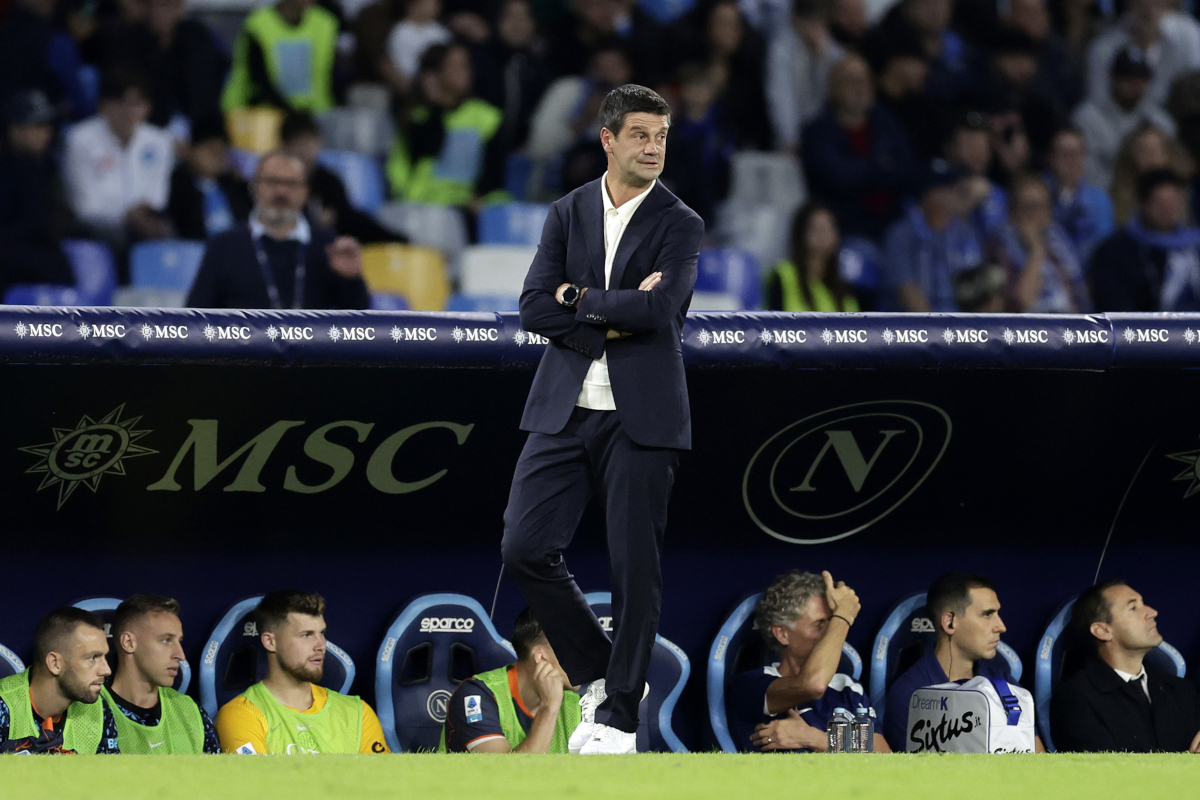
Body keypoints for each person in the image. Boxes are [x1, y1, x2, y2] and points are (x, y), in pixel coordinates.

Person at [502, 84, 702, 755]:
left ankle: (617, 715)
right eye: (641, 135)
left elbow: (661, 312)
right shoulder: (567, 211)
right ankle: (601, 672)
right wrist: (609, 312)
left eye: (662, 136)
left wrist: (578, 301)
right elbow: (533, 307)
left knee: (633, 568)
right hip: (563, 406)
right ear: (608, 139)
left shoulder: (681, 222)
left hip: (642, 417)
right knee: (524, 547)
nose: (654, 148)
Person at [186, 151, 370, 310]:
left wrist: (351, 280)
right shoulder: (224, 246)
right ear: (254, 187)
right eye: (272, 181)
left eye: (291, 184)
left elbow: (358, 325)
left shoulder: (328, 245)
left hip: (309, 349)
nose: (281, 191)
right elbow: (196, 317)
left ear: (306, 192)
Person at [730, 571, 890, 753]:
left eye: (832, 623)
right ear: (782, 634)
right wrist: (843, 616)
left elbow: (884, 756)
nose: (831, 633)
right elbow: (812, 685)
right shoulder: (751, 685)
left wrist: (816, 739)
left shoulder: (848, 688)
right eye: (819, 624)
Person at [883, 572, 1043, 751]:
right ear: (950, 622)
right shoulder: (911, 696)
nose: (1001, 626)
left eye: (998, 613)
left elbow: (1037, 761)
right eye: (987, 615)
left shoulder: (1007, 686)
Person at [215, 590, 389, 754]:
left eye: (321, 633)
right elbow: (260, 784)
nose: (321, 645)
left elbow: (384, 782)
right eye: (306, 635)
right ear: (270, 642)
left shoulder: (357, 712)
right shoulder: (241, 715)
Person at [1050, 580, 1200, 752]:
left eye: (1143, 603)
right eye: (1133, 608)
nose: (1152, 612)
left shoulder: (1182, 690)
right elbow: (1103, 774)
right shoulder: (1076, 698)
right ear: (1103, 631)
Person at [801, 53, 916, 241]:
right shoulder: (817, 131)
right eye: (851, 81)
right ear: (833, 88)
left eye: (864, 80)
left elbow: (906, 169)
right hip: (844, 229)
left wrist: (862, 171)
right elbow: (837, 177)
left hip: (893, 223)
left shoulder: (887, 122)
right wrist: (880, 167)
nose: (860, 88)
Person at [440, 608, 581, 753]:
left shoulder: (580, 703)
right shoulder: (477, 695)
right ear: (541, 657)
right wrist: (549, 706)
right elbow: (506, 774)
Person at [64, 67, 174, 250]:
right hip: (99, 228)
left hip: (145, 223)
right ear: (103, 105)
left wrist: (141, 215)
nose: (129, 111)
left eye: (137, 104)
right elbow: (85, 207)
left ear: (148, 107)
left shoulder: (159, 141)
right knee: (119, 237)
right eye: (121, 102)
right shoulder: (80, 139)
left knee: (167, 233)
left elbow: (158, 197)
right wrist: (127, 215)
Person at [386, 42, 505, 208]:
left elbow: (493, 173)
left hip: (469, 207)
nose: (465, 73)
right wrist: (436, 106)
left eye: (466, 65)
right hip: (422, 206)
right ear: (434, 75)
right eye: (455, 66)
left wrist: (476, 200)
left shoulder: (487, 117)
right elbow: (427, 151)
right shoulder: (417, 117)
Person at [102, 594, 220, 754]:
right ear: (129, 643)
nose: (180, 655)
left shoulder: (190, 712)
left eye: (179, 641)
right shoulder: (91, 712)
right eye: (166, 640)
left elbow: (217, 777)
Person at [0, 607, 119, 754]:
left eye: (105, 657)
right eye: (92, 658)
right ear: (55, 663)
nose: (106, 670)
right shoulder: (3, 703)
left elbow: (110, 775)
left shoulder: (99, 709)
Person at [279, 112, 405, 244]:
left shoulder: (328, 180)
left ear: (319, 142)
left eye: (308, 142)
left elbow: (347, 217)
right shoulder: (276, 182)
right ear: (286, 146)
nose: (304, 150)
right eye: (299, 143)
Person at [1090, 168, 1200, 312]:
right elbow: (1116, 305)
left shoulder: (1194, 245)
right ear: (1144, 204)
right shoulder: (1115, 251)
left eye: (1173, 203)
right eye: (1160, 203)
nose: (1167, 210)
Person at [0, 89, 76, 292]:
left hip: (40, 257)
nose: (46, 133)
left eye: (47, 126)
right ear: (14, 130)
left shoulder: (47, 167)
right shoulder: (8, 168)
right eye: (37, 126)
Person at [884, 160, 983, 312]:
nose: (957, 190)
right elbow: (908, 295)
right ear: (930, 195)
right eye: (948, 186)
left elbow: (980, 289)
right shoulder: (902, 234)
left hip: (962, 327)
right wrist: (941, 332)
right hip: (917, 329)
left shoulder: (964, 231)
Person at [1073, 48, 1177, 192]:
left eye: (1141, 78)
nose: (1135, 84)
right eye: (1128, 78)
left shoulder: (1160, 121)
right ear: (1112, 78)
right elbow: (1084, 175)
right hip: (1105, 196)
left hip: (1153, 199)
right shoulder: (1087, 119)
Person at [991, 173, 1089, 313]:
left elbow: (1079, 296)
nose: (1033, 212)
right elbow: (1022, 301)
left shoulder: (1059, 240)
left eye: (1039, 205)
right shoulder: (1001, 247)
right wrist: (1036, 250)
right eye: (1026, 206)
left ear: (1049, 211)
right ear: (1013, 212)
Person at [221, 0, 339, 114]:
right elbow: (259, 80)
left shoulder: (326, 23)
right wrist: (294, 115)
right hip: (255, 113)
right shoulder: (258, 24)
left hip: (316, 113)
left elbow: (335, 73)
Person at [1085, 0, 1200, 114]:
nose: (1149, 11)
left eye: (1156, 3)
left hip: (1175, 123)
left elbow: (1194, 90)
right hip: (1117, 124)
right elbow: (1098, 103)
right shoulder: (1103, 49)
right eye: (1141, 3)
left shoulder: (1188, 35)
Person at [765, 0, 843, 154]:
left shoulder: (832, 51)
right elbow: (781, 97)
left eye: (818, 22)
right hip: (793, 136)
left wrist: (821, 58)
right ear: (795, 21)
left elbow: (835, 91)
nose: (812, 29)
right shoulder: (781, 50)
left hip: (827, 133)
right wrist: (790, 137)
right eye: (809, 22)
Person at [167, 112, 252, 240]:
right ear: (190, 150)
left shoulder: (234, 187)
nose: (218, 156)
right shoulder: (176, 186)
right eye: (211, 149)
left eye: (223, 150)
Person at [763, 203, 859, 312]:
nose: (823, 235)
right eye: (816, 228)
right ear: (801, 233)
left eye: (829, 228)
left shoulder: (844, 290)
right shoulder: (783, 276)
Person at [1044, 128, 1114, 264]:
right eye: (1064, 154)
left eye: (1076, 153)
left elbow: (1104, 246)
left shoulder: (1099, 200)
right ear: (1051, 158)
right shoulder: (1038, 194)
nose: (1071, 160)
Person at [1109, 123, 1195, 225]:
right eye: (1144, 152)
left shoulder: (1187, 193)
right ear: (1130, 158)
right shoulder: (1118, 198)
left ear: (1168, 154)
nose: (1152, 158)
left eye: (1156, 150)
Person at [384, 0, 452, 93]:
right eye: (428, 4)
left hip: (440, 83)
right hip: (411, 85)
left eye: (435, 4)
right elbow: (402, 66)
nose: (434, 8)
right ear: (413, 6)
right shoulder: (400, 31)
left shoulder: (441, 32)